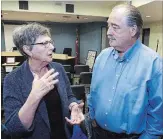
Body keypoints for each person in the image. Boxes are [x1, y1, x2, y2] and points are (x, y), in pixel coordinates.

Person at [87, 4, 163, 139]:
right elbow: (93, 93)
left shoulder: (153, 63)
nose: (109, 32)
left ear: (133, 30)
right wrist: (92, 119)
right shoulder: (102, 57)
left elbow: (158, 113)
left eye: (115, 27)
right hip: (97, 133)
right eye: (109, 26)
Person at [3, 23, 84, 139]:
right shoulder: (12, 80)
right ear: (27, 50)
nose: (51, 47)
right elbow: (14, 128)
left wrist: (73, 105)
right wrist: (34, 96)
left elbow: (69, 95)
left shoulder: (58, 68)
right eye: (44, 43)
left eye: (50, 42)